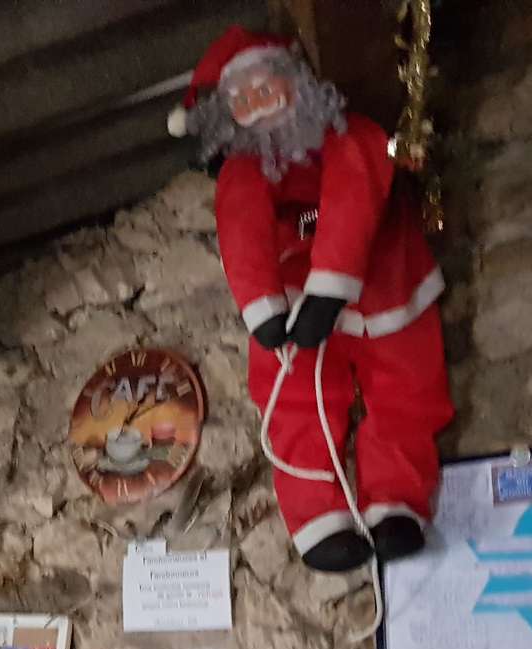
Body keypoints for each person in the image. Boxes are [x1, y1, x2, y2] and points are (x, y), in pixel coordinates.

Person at [169, 28, 454, 572]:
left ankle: (397, 503)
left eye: (265, 87)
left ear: (295, 80)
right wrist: (264, 310)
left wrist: (330, 288)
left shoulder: (351, 136)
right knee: (296, 397)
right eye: (242, 99)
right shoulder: (244, 170)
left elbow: (353, 198)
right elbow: (242, 234)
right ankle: (319, 519)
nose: (258, 105)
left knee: (406, 390)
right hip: (296, 295)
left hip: (388, 282)